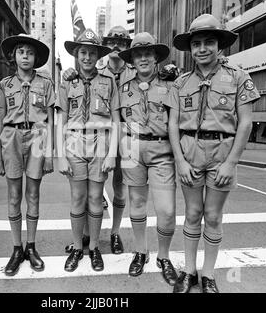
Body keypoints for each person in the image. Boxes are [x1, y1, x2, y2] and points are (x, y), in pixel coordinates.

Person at [167, 14, 260, 293]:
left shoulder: (238, 77)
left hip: (223, 152)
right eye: (196, 43)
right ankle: (189, 272)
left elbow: (245, 123)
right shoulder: (180, 83)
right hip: (190, 153)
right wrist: (180, 162)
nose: (202, 48)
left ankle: (208, 275)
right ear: (190, 48)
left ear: (220, 45)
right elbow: (172, 124)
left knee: (214, 216)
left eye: (209, 42)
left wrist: (231, 163)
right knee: (193, 213)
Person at [62, 26, 135, 255]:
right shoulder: (82, 74)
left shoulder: (134, 72)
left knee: (118, 189)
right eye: (112, 41)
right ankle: (83, 238)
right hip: (86, 139)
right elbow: (61, 117)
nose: (116, 46)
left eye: (122, 43)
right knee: (82, 195)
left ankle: (113, 234)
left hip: (127, 135)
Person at [115, 32, 178, 284]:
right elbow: (118, 122)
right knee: (137, 204)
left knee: (166, 210)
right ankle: (140, 251)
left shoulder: (172, 86)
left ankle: (164, 256)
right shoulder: (122, 89)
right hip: (132, 149)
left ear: (155, 58)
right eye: (138, 54)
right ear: (132, 59)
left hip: (162, 150)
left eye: (147, 53)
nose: (142, 58)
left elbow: (177, 122)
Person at [56, 28, 118, 272]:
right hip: (74, 143)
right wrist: (60, 155)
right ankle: (76, 246)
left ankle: (93, 247)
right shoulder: (67, 82)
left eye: (92, 52)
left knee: (95, 198)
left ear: (97, 55)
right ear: (76, 54)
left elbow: (115, 120)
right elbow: (60, 120)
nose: (87, 57)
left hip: (100, 143)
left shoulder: (108, 81)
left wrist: (112, 152)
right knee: (78, 198)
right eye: (83, 52)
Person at [0, 34, 54, 275]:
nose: (26, 56)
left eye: (30, 52)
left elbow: (50, 120)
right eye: (21, 52)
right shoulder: (4, 85)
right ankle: (16, 248)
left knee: (34, 194)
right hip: (12, 138)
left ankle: (31, 246)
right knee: (13, 195)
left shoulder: (46, 83)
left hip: (38, 137)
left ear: (36, 57)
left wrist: (49, 154)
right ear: (15, 56)